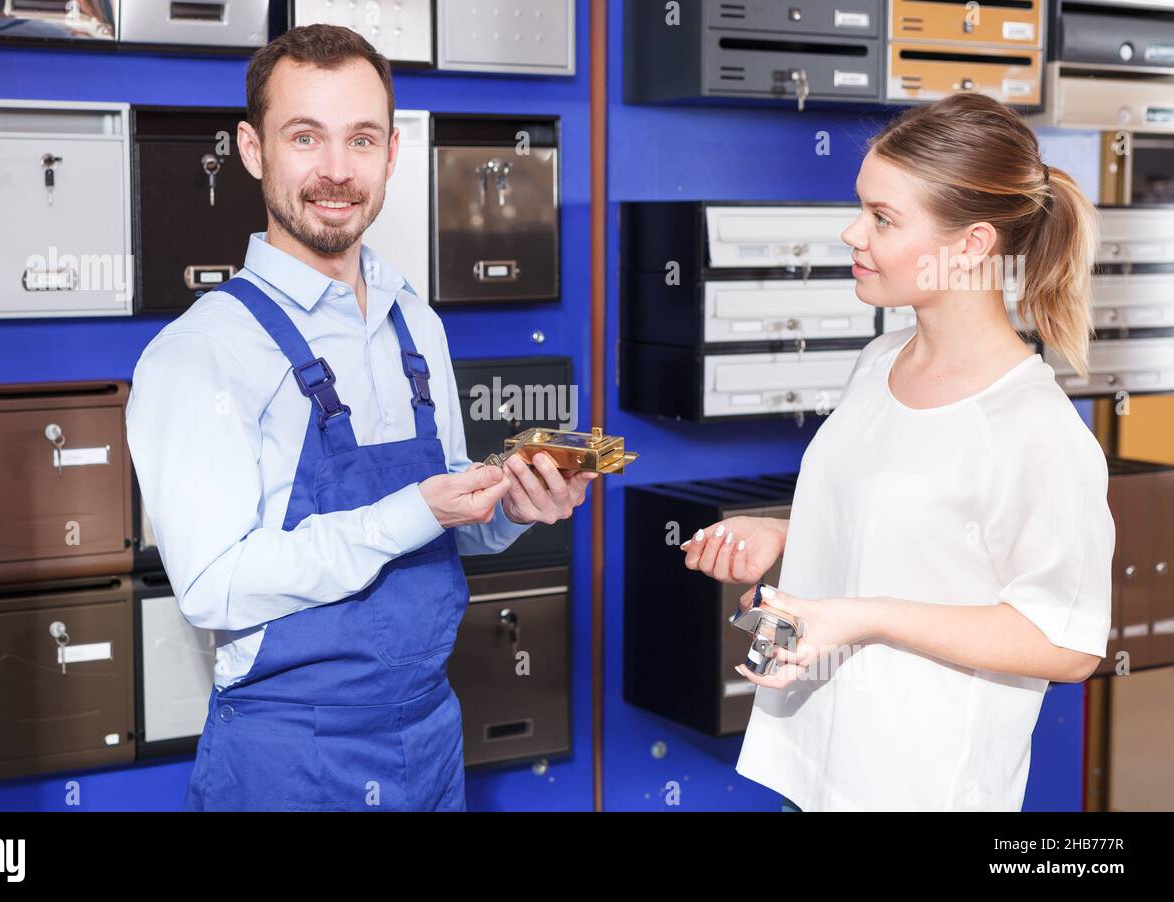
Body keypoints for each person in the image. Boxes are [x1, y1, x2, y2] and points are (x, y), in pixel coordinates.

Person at [126, 24, 598, 812]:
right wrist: (407, 511)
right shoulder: (200, 353)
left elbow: (445, 530)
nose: (337, 172)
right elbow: (212, 588)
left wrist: (511, 511)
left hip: (431, 736)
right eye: (305, 137)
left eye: (362, 139)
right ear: (252, 150)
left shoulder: (418, 323)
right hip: (288, 757)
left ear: (392, 154)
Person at [681, 92, 1114, 812]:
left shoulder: (1034, 426)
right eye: (862, 208)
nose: (853, 233)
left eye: (883, 219)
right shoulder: (881, 360)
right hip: (817, 767)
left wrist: (864, 617)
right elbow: (926, 538)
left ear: (971, 245)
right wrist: (789, 533)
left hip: (919, 789)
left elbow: (1065, 641)